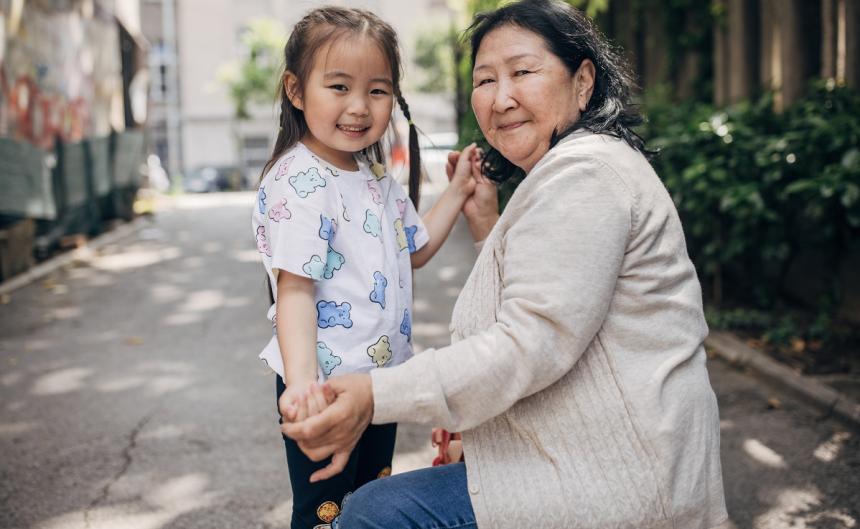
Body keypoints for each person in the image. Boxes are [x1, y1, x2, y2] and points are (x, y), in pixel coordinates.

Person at [282, 1, 729, 528]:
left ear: (583, 81)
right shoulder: (572, 170)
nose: (501, 98)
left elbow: (530, 343)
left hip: (616, 483)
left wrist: (376, 394)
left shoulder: (585, 177)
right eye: (486, 80)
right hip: (588, 459)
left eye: (522, 72)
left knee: (374, 512)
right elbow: (546, 303)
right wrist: (484, 225)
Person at [251, 7, 481, 529]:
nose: (359, 106)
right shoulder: (300, 181)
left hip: (379, 382)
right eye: (339, 86)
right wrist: (303, 386)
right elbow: (294, 291)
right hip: (325, 386)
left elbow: (412, 248)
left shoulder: (373, 175)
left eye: (377, 91)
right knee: (325, 511)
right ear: (295, 90)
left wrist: (459, 190)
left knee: (370, 500)